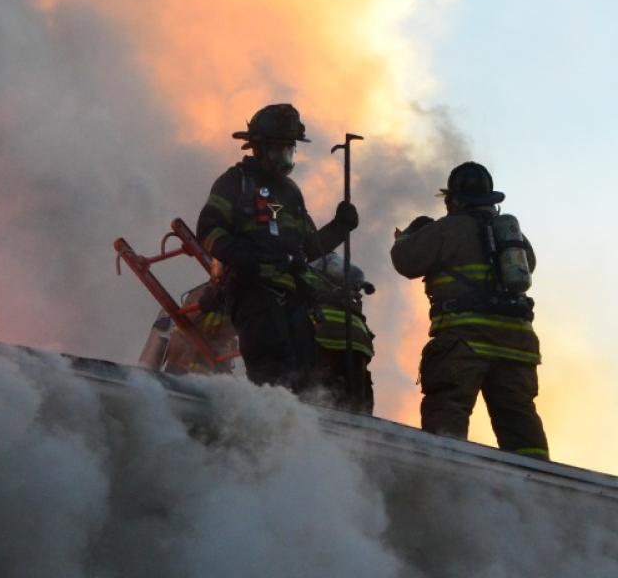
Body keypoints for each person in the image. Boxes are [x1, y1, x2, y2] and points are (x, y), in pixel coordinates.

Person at [390, 161, 548, 460]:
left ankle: (447, 475)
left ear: (453, 200)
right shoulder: (512, 236)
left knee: (447, 411)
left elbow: (406, 261)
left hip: (464, 341)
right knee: (520, 421)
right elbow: (529, 266)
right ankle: (540, 480)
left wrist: (411, 234)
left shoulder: (445, 229)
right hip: (517, 343)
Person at [195, 103, 358, 392]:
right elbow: (208, 230)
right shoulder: (235, 183)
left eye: (289, 150)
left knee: (305, 374)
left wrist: (340, 227)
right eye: (278, 150)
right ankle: (270, 420)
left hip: (294, 298)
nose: (285, 158)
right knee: (272, 372)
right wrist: (245, 259)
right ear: (258, 148)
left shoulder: (291, 193)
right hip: (252, 292)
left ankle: (297, 420)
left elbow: (310, 248)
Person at [305, 253, 375, 413]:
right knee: (357, 401)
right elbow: (357, 275)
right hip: (359, 340)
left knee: (319, 390)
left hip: (325, 334)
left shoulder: (310, 269)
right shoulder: (338, 270)